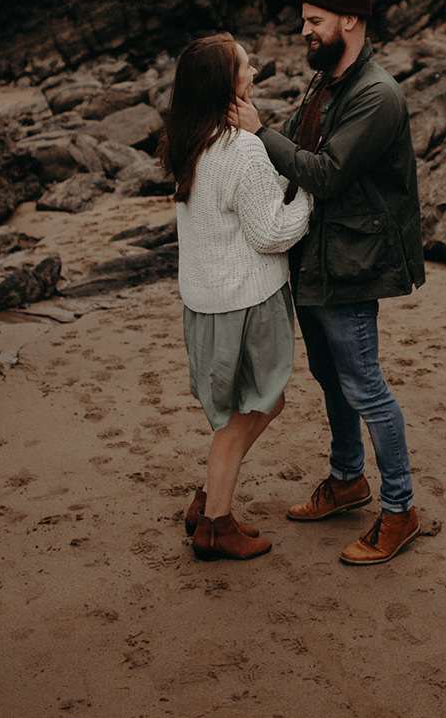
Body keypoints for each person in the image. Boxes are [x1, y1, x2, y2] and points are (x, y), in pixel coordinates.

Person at [231, 0, 427, 566]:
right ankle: (348, 481)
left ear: (351, 21)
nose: (306, 33)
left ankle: (400, 511)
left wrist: (258, 128)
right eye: (304, 23)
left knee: (364, 384)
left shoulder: (377, 95)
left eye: (315, 22)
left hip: (353, 261)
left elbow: (323, 173)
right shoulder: (324, 85)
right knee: (330, 377)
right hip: (315, 258)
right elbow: (286, 150)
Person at [159, 32, 313, 561]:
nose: (254, 72)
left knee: (252, 406)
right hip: (249, 301)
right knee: (250, 410)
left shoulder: (188, 140)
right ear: (225, 83)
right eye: (246, 67)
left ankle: (209, 497)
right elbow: (271, 234)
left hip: (203, 304)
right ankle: (217, 525)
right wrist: (308, 189)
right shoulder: (242, 149)